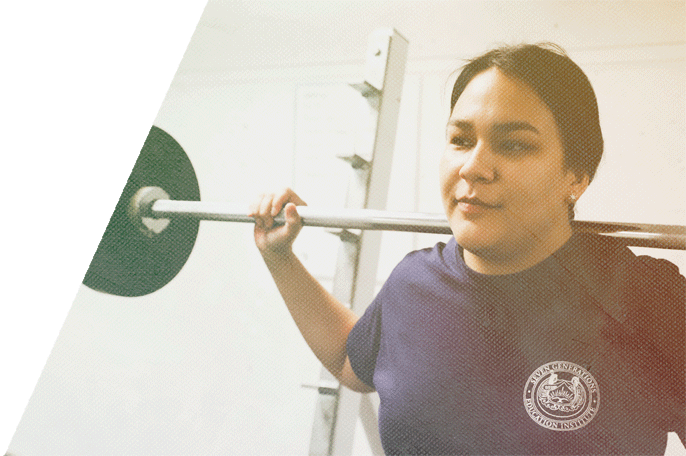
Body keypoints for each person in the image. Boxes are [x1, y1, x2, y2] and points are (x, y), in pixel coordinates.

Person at [249, 44, 685, 455]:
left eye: (514, 144)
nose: (473, 166)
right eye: (460, 139)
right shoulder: (413, 283)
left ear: (576, 176)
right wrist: (280, 258)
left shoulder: (649, 297)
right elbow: (352, 359)